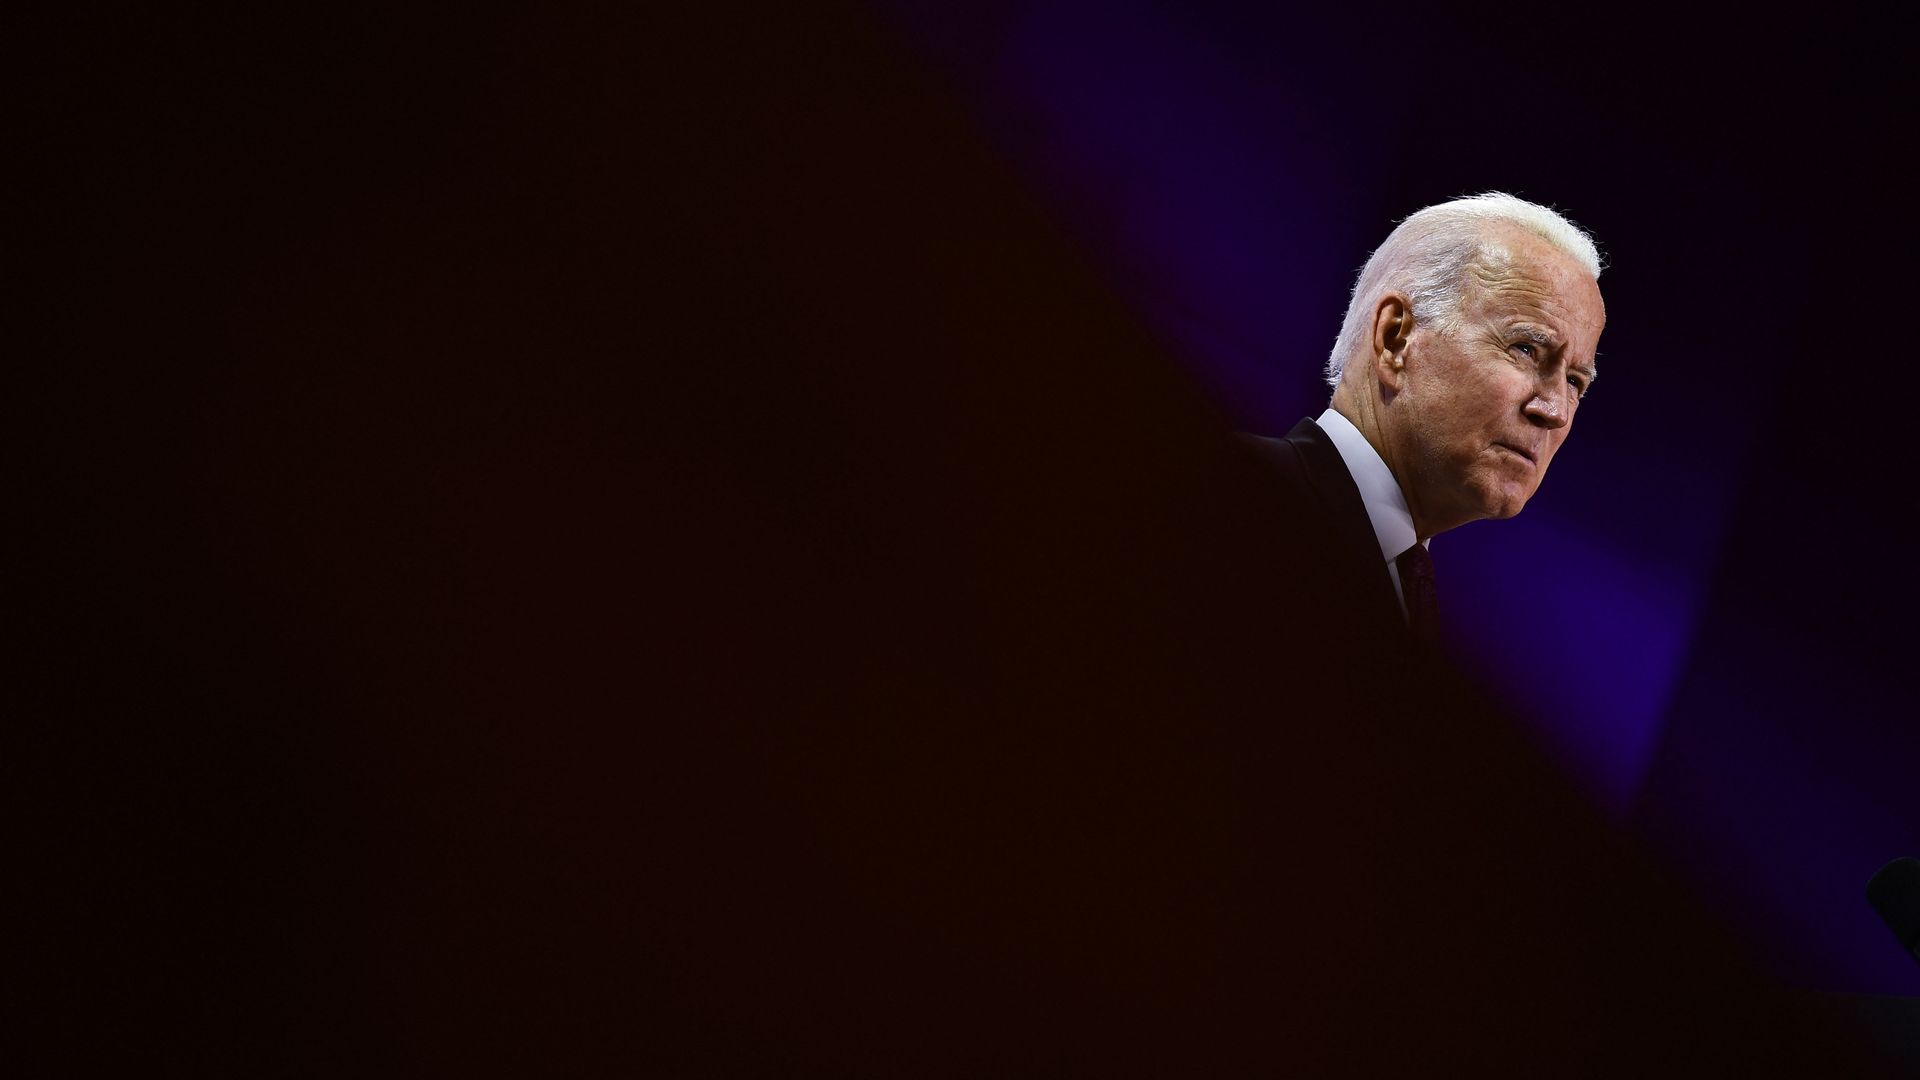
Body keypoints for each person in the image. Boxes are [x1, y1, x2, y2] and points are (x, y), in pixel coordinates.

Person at [1240, 193, 1605, 644]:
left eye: (1574, 381)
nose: (1553, 411)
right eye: (1526, 349)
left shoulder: (1413, 598)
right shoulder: (1232, 497)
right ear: (1396, 339)